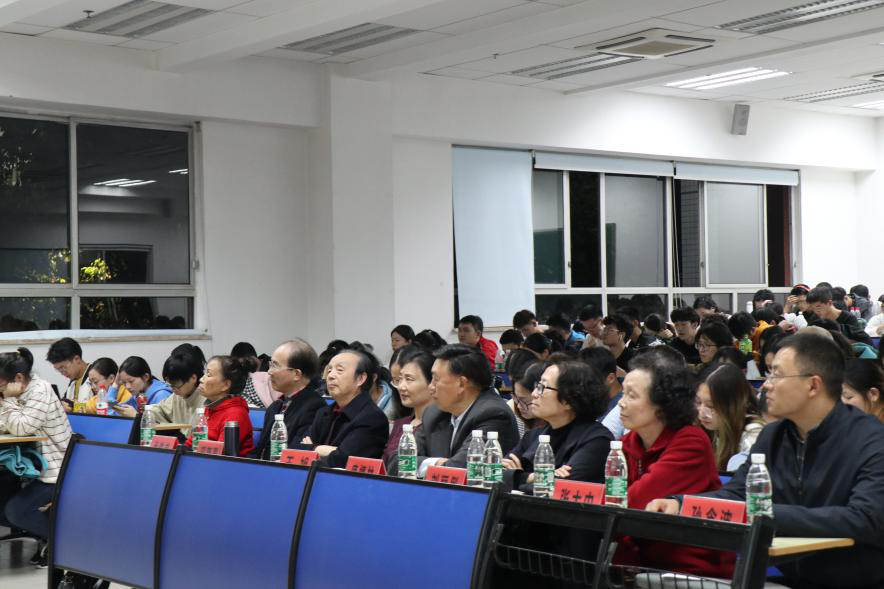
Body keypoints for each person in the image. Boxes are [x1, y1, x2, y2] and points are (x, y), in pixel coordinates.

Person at [647, 332, 884, 589]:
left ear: (813, 386)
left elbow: (864, 519)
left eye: (776, 375)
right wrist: (681, 504)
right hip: (790, 580)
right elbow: (738, 494)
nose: (766, 385)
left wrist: (765, 514)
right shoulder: (774, 436)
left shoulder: (871, 440)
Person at [616, 346, 731, 578]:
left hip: (693, 573)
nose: (621, 403)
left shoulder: (691, 442)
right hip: (641, 569)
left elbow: (633, 501)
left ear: (662, 404)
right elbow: (612, 512)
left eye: (632, 395)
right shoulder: (625, 444)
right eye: (622, 393)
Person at [0, 348, 72, 567]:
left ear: (18, 378)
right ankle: (45, 533)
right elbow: (6, 424)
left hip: (57, 471)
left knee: (15, 512)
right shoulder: (20, 392)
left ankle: (66, 542)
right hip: (33, 467)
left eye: (1, 385)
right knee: (2, 505)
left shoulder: (41, 391)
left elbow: (21, 427)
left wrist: (7, 401)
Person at [502, 360, 613, 493]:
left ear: (568, 400)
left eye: (543, 387)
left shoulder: (597, 440)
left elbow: (560, 489)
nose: (534, 394)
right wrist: (533, 477)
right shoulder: (533, 436)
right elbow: (495, 475)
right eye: (537, 386)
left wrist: (518, 478)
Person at [411, 345, 519, 476]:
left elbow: (462, 469)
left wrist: (425, 464)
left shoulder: (494, 414)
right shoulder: (434, 413)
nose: (430, 387)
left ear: (462, 384)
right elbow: (399, 460)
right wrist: (439, 463)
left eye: (436, 380)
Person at [300, 349, 389, 468]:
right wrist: (325, 450)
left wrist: (313, 448)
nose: (330, 376)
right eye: (329, 370)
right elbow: (299, 449)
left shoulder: (372, 418)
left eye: (339, 370)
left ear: (360, 379)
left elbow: (342, 461)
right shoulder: (324, 412)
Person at [251, 339, 326, 461]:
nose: (269, 372)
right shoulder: (275, 406)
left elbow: (295, 452)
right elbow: (260, 450)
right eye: (270, 364)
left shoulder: (315, 408)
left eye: (275, 365)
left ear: (297, 374)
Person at [696, 364, 764, 472]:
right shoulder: (705, 429)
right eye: (699, 402)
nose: (702, 413)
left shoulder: (752, 435)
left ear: (732, 404)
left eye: (710, 406)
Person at [183, 356, 253, 456]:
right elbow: (192, 443)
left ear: (225, 385)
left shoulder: (236, 414)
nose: (201, 379)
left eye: (209, 375)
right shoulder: (211, 408)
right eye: (204, 373)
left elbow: (220, 454)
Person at [383, 346, 434, 470]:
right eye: (399, 380)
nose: (401, 386)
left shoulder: (441, 426)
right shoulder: (401, 423)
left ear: (432, 382)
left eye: (409, 379)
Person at [151, 349, 206, 428]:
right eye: (170, 385)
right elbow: (158, 410)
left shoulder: (206, 399)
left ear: (193, 378)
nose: (173, 389)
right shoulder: (177, 396)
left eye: (176, 385)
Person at [807, 285, 872, 344]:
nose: (815, 311)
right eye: (812, 308)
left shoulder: (848, 318)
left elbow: (860, 341)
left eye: (818, 307)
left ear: (829, 303)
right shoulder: (814, 319)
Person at [108, 357, 172, 416]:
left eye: (131, 381)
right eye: (124, 383)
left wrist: (136, 416)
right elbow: (110, 413)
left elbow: (163, 423)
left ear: (146, 377)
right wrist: (115, 385)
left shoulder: (162, 395)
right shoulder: (137, 396)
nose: (127, 386)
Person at [46, 337, 93, 413]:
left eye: (63, 367)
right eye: (58, 369)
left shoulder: (96, 377)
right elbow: (67, 403)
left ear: (76, 359)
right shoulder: (73, 380)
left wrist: (73, 408)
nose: (62, 372)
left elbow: (100, 407)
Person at [578, 347, 622, 417]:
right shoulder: (596, 398)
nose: (582, 384)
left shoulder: (623, 409)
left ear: (610, 378)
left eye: (589, 381)